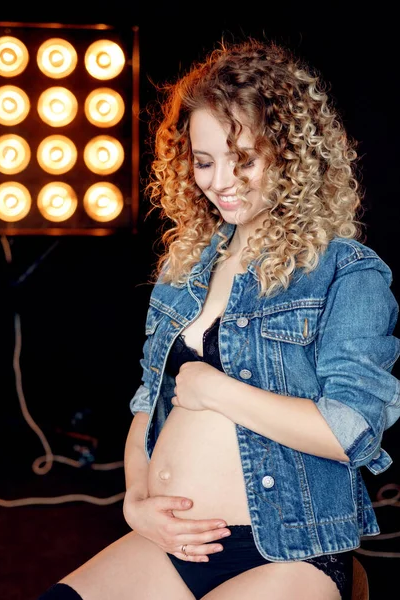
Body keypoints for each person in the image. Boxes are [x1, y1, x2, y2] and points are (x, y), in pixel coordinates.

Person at [38, 36, 400, 600]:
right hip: (172, 545)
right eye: (205, 161)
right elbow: (147, 405)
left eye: (245, 159)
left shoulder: (346, 272)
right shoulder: (185, 268)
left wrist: (216, 390)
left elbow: (350, 429)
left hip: (285, 552)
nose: (221, 181)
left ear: (291, 156)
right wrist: (137, 501)